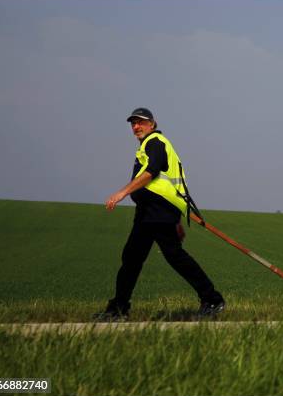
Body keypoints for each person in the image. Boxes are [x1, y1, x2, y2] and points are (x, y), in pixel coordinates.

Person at [93, 107, 225, 321]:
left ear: (152, 124)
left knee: (170, 256)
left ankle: (212, 299)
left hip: (157, 211)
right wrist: (176, 220)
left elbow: (152, 172)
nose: (136, 126)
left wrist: (122, 192)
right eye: (133, 123)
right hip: (151, 212)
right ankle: (119, 308)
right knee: (134, 258)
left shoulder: (155, 142)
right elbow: (163, 181)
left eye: (141, 122)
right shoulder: (149, 145)